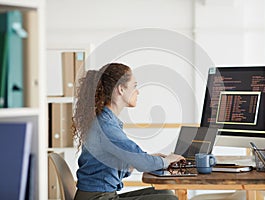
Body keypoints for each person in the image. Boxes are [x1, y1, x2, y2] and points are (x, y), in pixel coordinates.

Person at [72, 63, 184, 200]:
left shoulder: (107, 121)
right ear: (121, 89)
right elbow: (141, 161)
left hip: (100, 195)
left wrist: (146, 160)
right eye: (134, 86)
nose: (138, 92)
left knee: (166, 194)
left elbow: (118, 161)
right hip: (97, 198)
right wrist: (165, 161)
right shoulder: (106, 126)